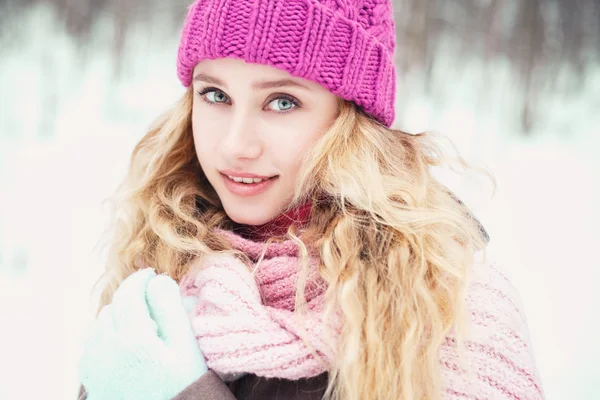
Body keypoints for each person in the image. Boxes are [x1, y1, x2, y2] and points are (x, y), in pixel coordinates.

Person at [77, 0, 545, 399]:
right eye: (216, 95)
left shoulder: (449, 306)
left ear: (351, 121)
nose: (236, 145)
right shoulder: (162, 260)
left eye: (282, 102)